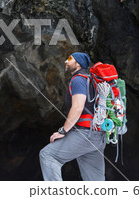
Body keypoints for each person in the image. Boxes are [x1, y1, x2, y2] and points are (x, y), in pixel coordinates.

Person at [39, 52, 106, 181]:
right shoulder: (90, 79)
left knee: (48, 155)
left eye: (70, 59)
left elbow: (77, 108)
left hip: (86, 134)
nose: (65, 61)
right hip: (98, 135)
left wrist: (63, 131)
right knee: (95, 179)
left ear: (78, 63)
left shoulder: (79, 80)